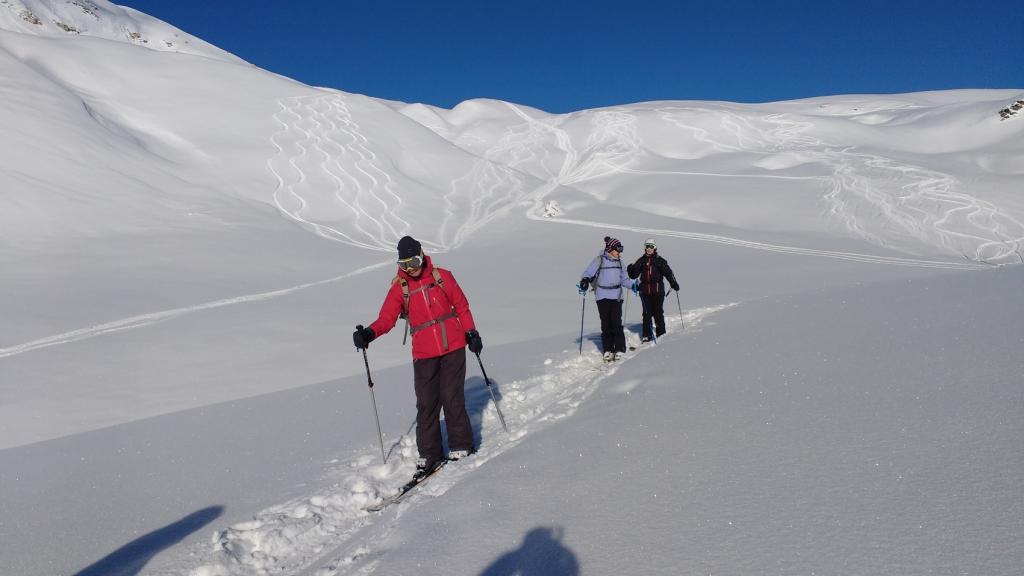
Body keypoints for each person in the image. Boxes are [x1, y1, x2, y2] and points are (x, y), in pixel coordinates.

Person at [352, 236, 482, 478]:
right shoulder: (399, 288)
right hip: (424, 354)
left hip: (453, 346)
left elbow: (462, 307)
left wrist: (471, 333)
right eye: (404, 264)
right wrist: (369, 333)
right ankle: (430, 453)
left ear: (422, 256)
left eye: (413, 261)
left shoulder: (442, 277)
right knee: (426, 404)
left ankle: (461, 445)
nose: (410, 268)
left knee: (452, 398)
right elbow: (386, 319)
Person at [579, 236, 633, 362]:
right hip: (602, 295)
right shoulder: (599, 260)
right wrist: (585, 281)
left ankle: (619, 349)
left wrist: (635, 286)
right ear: (610, 249)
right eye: (618, 249)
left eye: (621, 249)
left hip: (616, 296)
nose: (619, 252)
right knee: (606, 323)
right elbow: (588, 273)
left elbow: (624, 280)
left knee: (616, 322)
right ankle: (608, 349)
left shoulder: (620, 263)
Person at [626, 238, 680, 342]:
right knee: (646, 314)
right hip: (644, 291)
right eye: (647, 247)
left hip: (657, 291)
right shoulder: (641, 260)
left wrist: (673, 283)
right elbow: (634, 275)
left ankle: (661, 334)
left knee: (658, 312)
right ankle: (647, 335)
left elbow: (668, 273)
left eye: (651, 247)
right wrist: (631, 270)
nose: (649, 249)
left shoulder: (659, 261)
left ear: (654, 248)